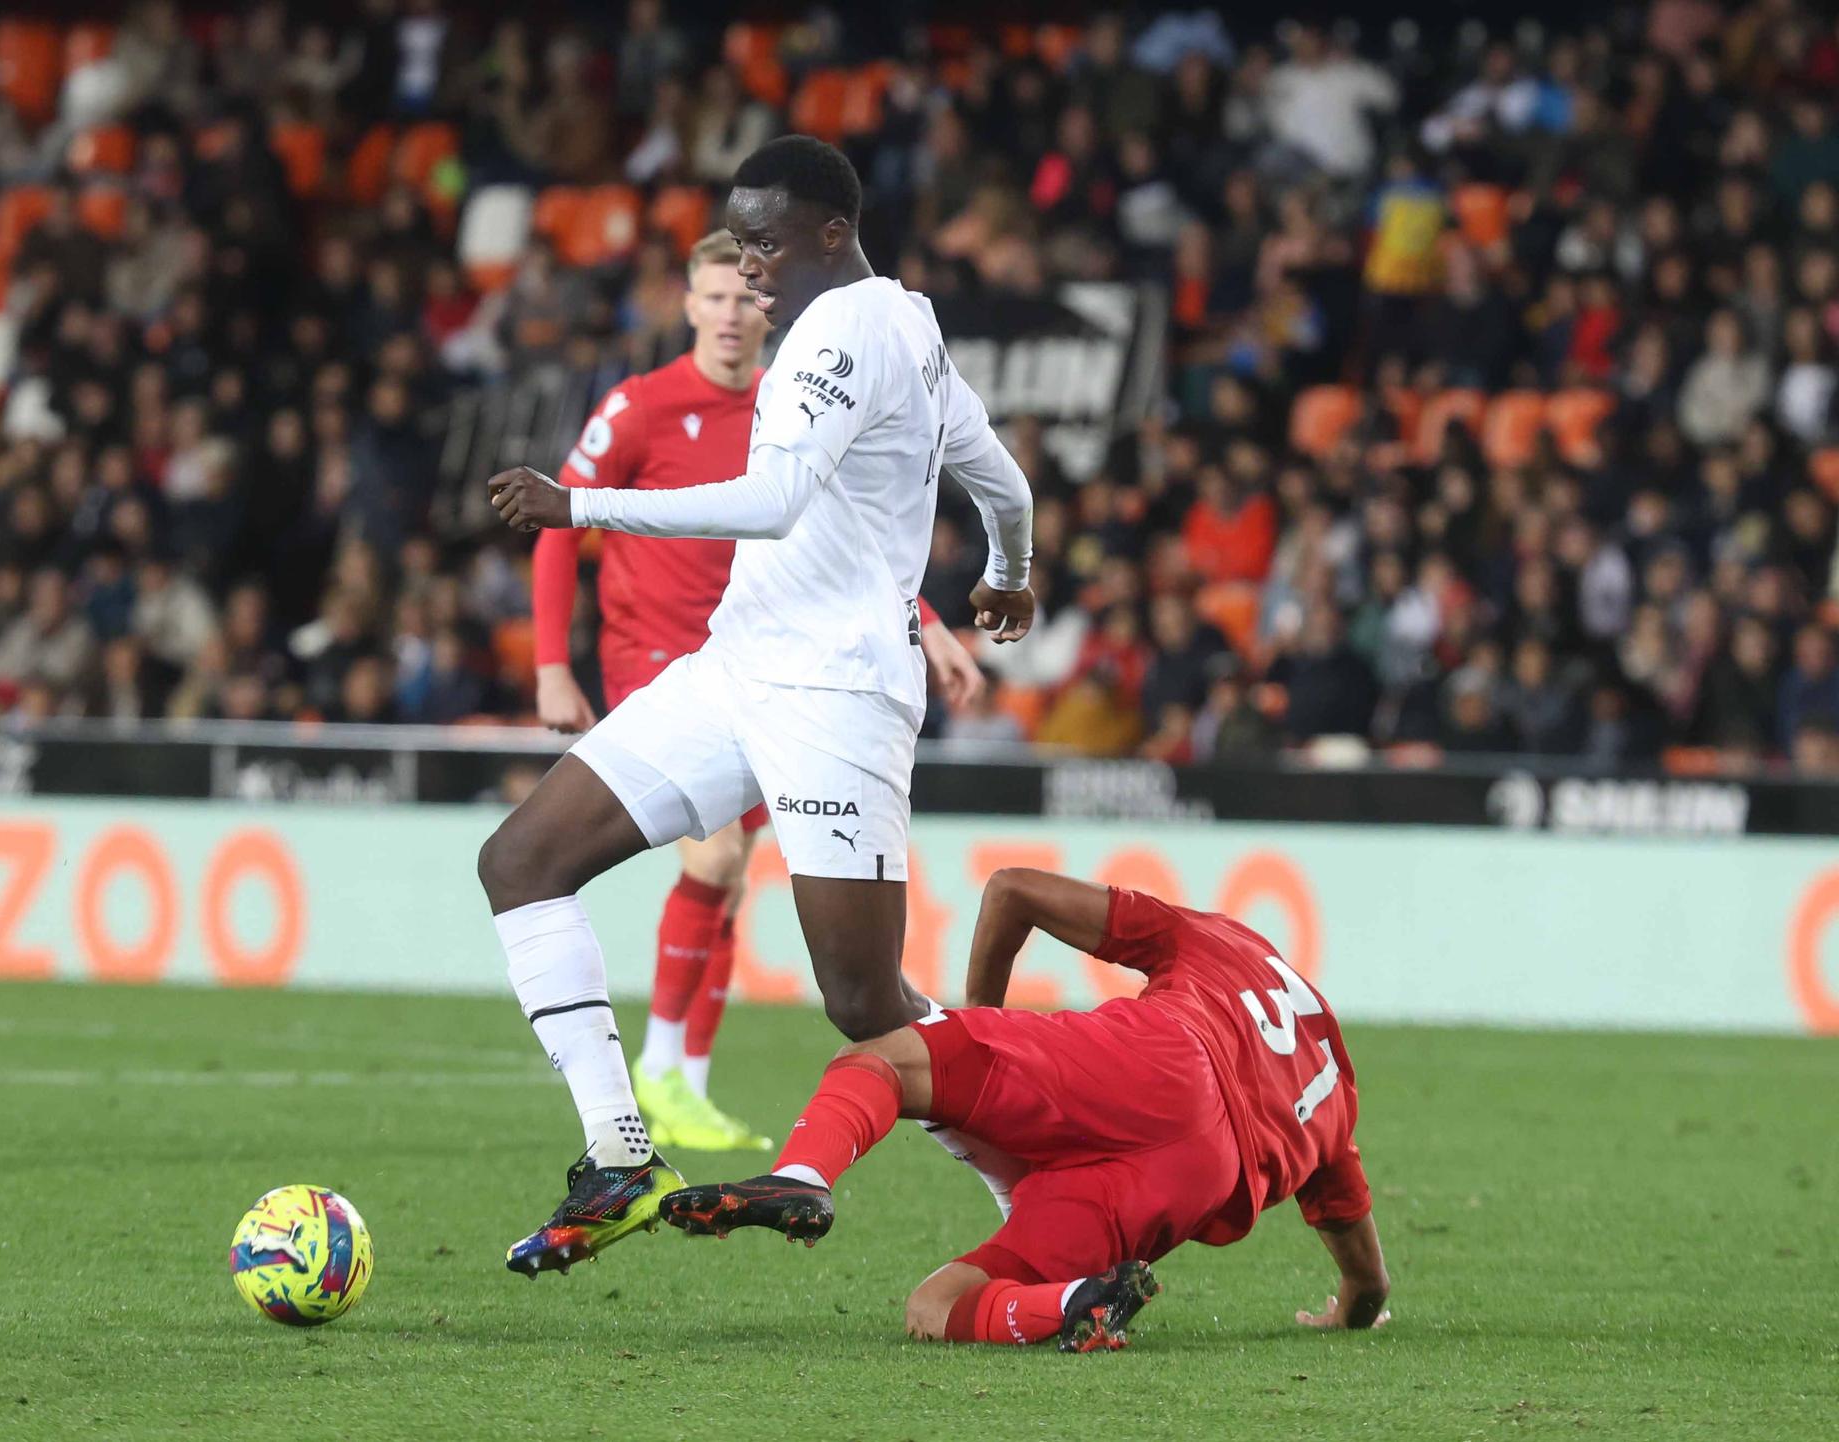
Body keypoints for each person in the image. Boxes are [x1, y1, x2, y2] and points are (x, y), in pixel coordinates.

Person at [485, 135, 1036, 1277]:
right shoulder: (913, 327)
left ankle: (1037, 1174)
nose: (752, 267)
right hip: (737, 667)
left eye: (770, 243)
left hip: (833, 695)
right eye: (738, 242)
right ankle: (620, 1154)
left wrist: (580, 506)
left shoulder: (840, 331)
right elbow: (998, 477)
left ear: (833, 234)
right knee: (521, 861)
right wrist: (1007, 571)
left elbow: (777, 498)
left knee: (861, 998)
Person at [532, 229, 986, 1151]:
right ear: (688, 307)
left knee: (754, 905)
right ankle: (660, 1069)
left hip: (791, 662)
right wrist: (550, 660)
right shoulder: (639, 405)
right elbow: (556, 526)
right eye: (713, 299)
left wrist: (928, 625)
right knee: (714, 866)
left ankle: (684, 1077)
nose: (733, 315)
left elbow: (852, 534)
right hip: (666, 655)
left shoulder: (804, 389)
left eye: (744, 298)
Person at [661, 867, 1391, 1354]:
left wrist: (975, 1025)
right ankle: (1078, 1302)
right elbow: (1367, 1286)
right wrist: (1343, 1314)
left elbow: (1011, 891)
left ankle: (802, 1175)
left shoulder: (1218, 937)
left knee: (881, 1059)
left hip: (1164, 1062)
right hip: (1199, 1180)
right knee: (939, 1306)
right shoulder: (1336, 1096)